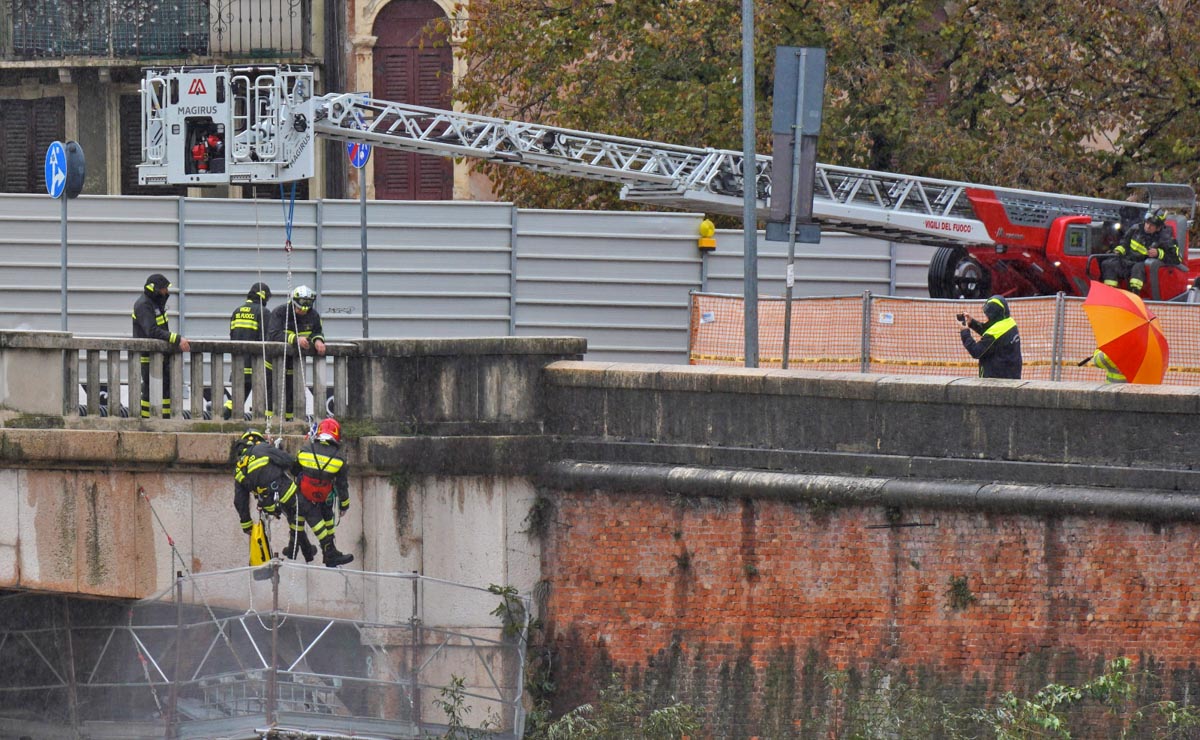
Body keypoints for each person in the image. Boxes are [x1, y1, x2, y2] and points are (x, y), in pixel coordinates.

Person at [232, 430, 316, 561]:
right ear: (258, 440)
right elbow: (287, 460)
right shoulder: (262, 448)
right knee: (303, 512)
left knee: (293, 517)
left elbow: (239, 500)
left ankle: (304, 550)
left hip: (269, 505)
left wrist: (246, 524)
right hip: (285, 492)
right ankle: (311, 550)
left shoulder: (239, 468)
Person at [292, 418, 354, 568]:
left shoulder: (306, 449)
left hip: (303, 495)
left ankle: (322, 551)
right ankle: (329, 551)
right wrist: (344, 506)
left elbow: (294, 470)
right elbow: (342, 485)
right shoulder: (339, 458)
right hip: (323, 497)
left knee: (310, 520)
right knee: (323, 521)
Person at [131, 273, 190, 418]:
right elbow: (151, 330)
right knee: (150, 389)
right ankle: (146, 421)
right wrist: (176, 338)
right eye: (164, 289)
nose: (166, 292)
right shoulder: (144, 305)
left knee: (165, 389)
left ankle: (165, 419)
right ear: (155, 289)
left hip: (161, 355)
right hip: (148, 356)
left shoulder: (156, 304)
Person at [269, 285, 326, 421]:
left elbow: (317, 331)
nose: (302, 311)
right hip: (274, 364)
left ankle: (290, 421)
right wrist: (295, 339)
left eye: (305, 309)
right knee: (272, 394)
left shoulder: (313, 315)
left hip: (295, 364)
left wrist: (318, 340)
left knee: (292, 394)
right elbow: (274, 334)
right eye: (299, 308)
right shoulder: (280, 312)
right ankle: (271, 422)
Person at [1100, 208, 1179, 295]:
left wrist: (1159, 253)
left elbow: (1176, 258)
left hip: (1143, 265)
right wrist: (1119, 251)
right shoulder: (1135, 229)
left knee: (1137, 269)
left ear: (1158, 228)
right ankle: (1110, 293)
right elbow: (1124, 243)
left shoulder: (1165, 238)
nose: (1148, 227)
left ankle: (1134, 294)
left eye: (1152, 225)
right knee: (1109, 264)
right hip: (1128, 261)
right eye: (1147, 223)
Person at [225, 282, 274, 419]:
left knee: (235, 400)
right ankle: (263, 426)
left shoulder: (237, 311)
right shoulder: (264, 313)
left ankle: (222, 418)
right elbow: (266, 340)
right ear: (263, 296)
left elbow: (232, 336)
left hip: (238, 364)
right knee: (263, 401)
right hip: (256, 366)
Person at [958, 295, 1022, 379]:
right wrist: (972, 323)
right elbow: (992, 333)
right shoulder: (1010, 322)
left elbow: (976, 352)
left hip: (996, 380)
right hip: (1012, 375)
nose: (987, 316)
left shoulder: (994, 333)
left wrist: (964, 332)